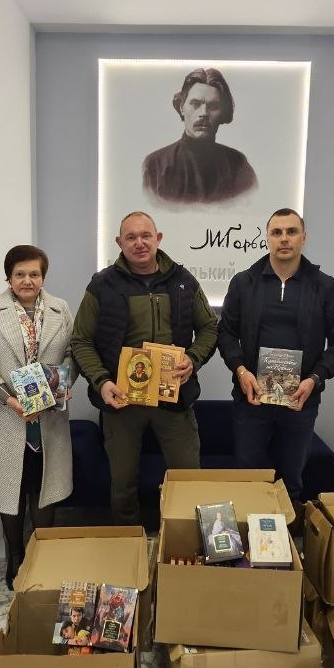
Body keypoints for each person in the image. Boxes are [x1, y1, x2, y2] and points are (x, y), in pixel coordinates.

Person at [71, 210, 218, 525]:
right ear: (119, 242)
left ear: (158, 238)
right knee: (122, 483)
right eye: (131, 237)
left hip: (174, 399)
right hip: (122, 401)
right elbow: (81, 340)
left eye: (146, 235)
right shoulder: (102, 285)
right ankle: (129, 543)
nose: (139, 243)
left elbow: (209, 328)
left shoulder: (183, 281)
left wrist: (193, 358)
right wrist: (101, 381)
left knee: (188, 479)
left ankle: (184, 542)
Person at [218, 207, 334, 507]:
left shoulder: (324, 286)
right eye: (276, 232)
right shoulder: (244, 283)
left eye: (291, 232)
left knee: (291, 482)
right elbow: (225, 333)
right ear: (267, 238)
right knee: (249, 481)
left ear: (303, 238)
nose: (284, 238)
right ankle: (251, 537)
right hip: (251, 401)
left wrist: (315, 379)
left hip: (300, 402)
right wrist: (241, 371)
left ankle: (287, 536)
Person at [0, 245, 77, 589]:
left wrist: (62, 384)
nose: (27, 280)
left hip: (47, 416)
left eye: (34, 274)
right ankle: (14, 555)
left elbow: (72, 354)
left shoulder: (60, 309)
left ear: (43, 277)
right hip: (6, 414)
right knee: (10, 487)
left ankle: (42, 555)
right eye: (19, 274)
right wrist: (8, 398)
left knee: (43, 486)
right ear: (9, 277)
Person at [142, 67, 258, 204]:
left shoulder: (238, 164)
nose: (204, 113)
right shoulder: (156, 164)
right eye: (196, 104)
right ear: (181, 107)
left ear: (222, 112)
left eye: (213, 106)